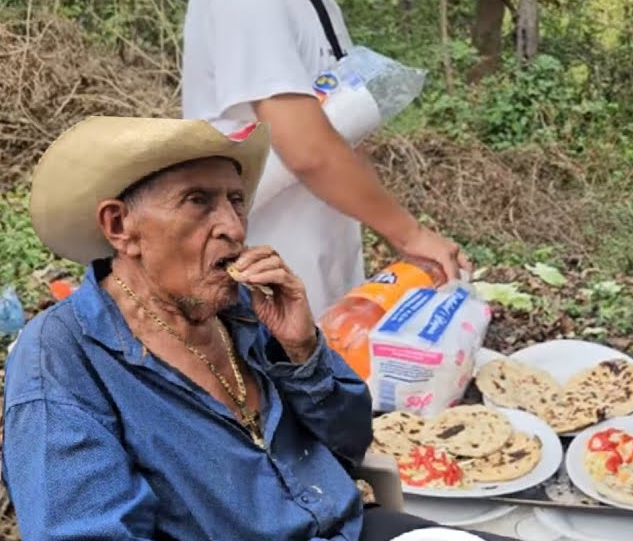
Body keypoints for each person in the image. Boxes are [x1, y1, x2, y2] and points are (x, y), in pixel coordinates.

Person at [2, 117, 513, 541]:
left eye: (236, 200)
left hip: (350, 528)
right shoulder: (64, 359)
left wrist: (302, 350)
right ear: (119, 227)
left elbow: (351, 442)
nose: (234, 226)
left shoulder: (247, 309)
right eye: (198, 201)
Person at [181, 0, 468, 317]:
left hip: (309, 293)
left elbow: (333, 140)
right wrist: (409, 232)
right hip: (252, 297)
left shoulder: (317, 4)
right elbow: (308, 148)